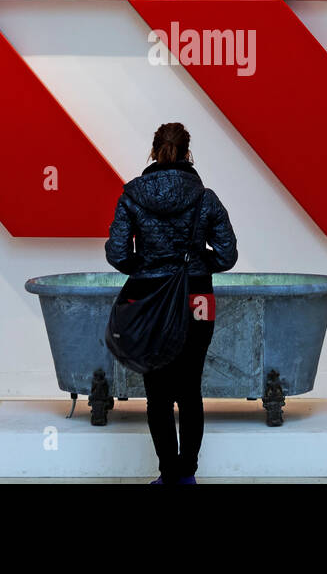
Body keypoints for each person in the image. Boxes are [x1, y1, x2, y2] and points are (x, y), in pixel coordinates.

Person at [105, 122, 238, 484]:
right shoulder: (206, 198)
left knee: (157, 395)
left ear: (153, 152)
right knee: (190, 391)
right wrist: (194, 266)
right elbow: (227, 257)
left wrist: (146, 267)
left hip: (149, 300)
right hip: (197, 299)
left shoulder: (132, 195)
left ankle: (168, 476)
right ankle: (187, 476)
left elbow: (117, 254)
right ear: (187, 153)